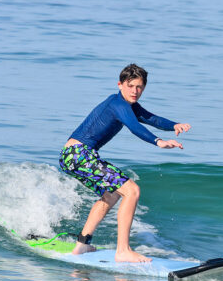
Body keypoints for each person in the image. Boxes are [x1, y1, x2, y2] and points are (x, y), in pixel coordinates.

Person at [59, 64, 191, 263]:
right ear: (120, 84)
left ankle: (82, 244)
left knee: (111, 195)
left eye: (139, 87)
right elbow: (135, 127)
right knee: (132, 191)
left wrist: (174, 125)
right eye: (131, 86)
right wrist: (159, 142)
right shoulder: (118, 104)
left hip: (72, 156)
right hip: (79, 154)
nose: (135, 91)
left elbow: (150, 118)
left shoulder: (127, 105)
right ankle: (123, 251)